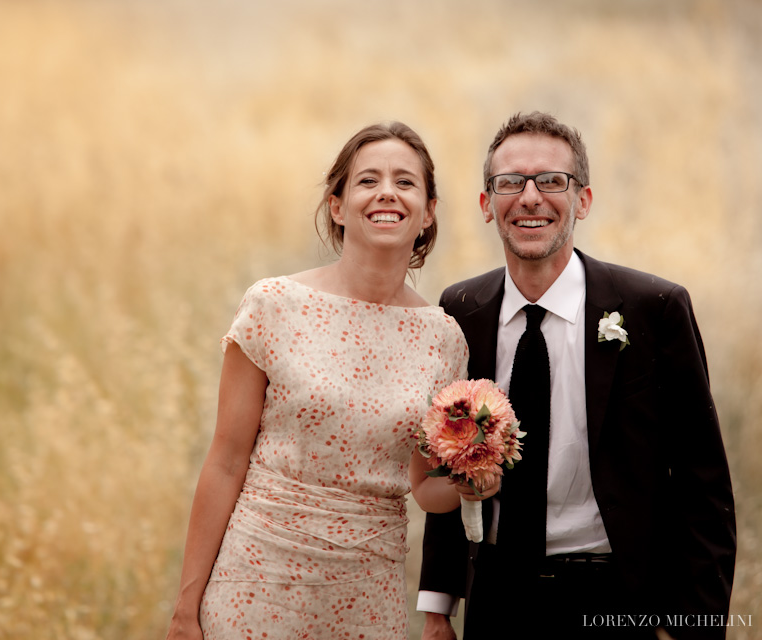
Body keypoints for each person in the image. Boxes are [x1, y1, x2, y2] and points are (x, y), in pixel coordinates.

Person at [165, 122, 495, 640]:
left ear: (428, 212)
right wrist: (186, 609)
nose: (387, 192)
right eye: (368, 180)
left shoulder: (443, 339)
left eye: (405, 182)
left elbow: (424, 490)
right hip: (256, 579)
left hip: (368, 595)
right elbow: (226, 460)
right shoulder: (273, 306)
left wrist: (470, 485)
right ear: (338, 206)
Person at [417, 112, 737, 640]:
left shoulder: (652, 308)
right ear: (485, 204)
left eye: (551, 180)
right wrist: (436, 610)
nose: (529, 197)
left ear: (583, 200)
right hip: (496, 596)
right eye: (509, 182)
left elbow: (704, 487)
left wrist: (692, 628)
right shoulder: (461, 309)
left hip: (618, 598)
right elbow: (451, 454)